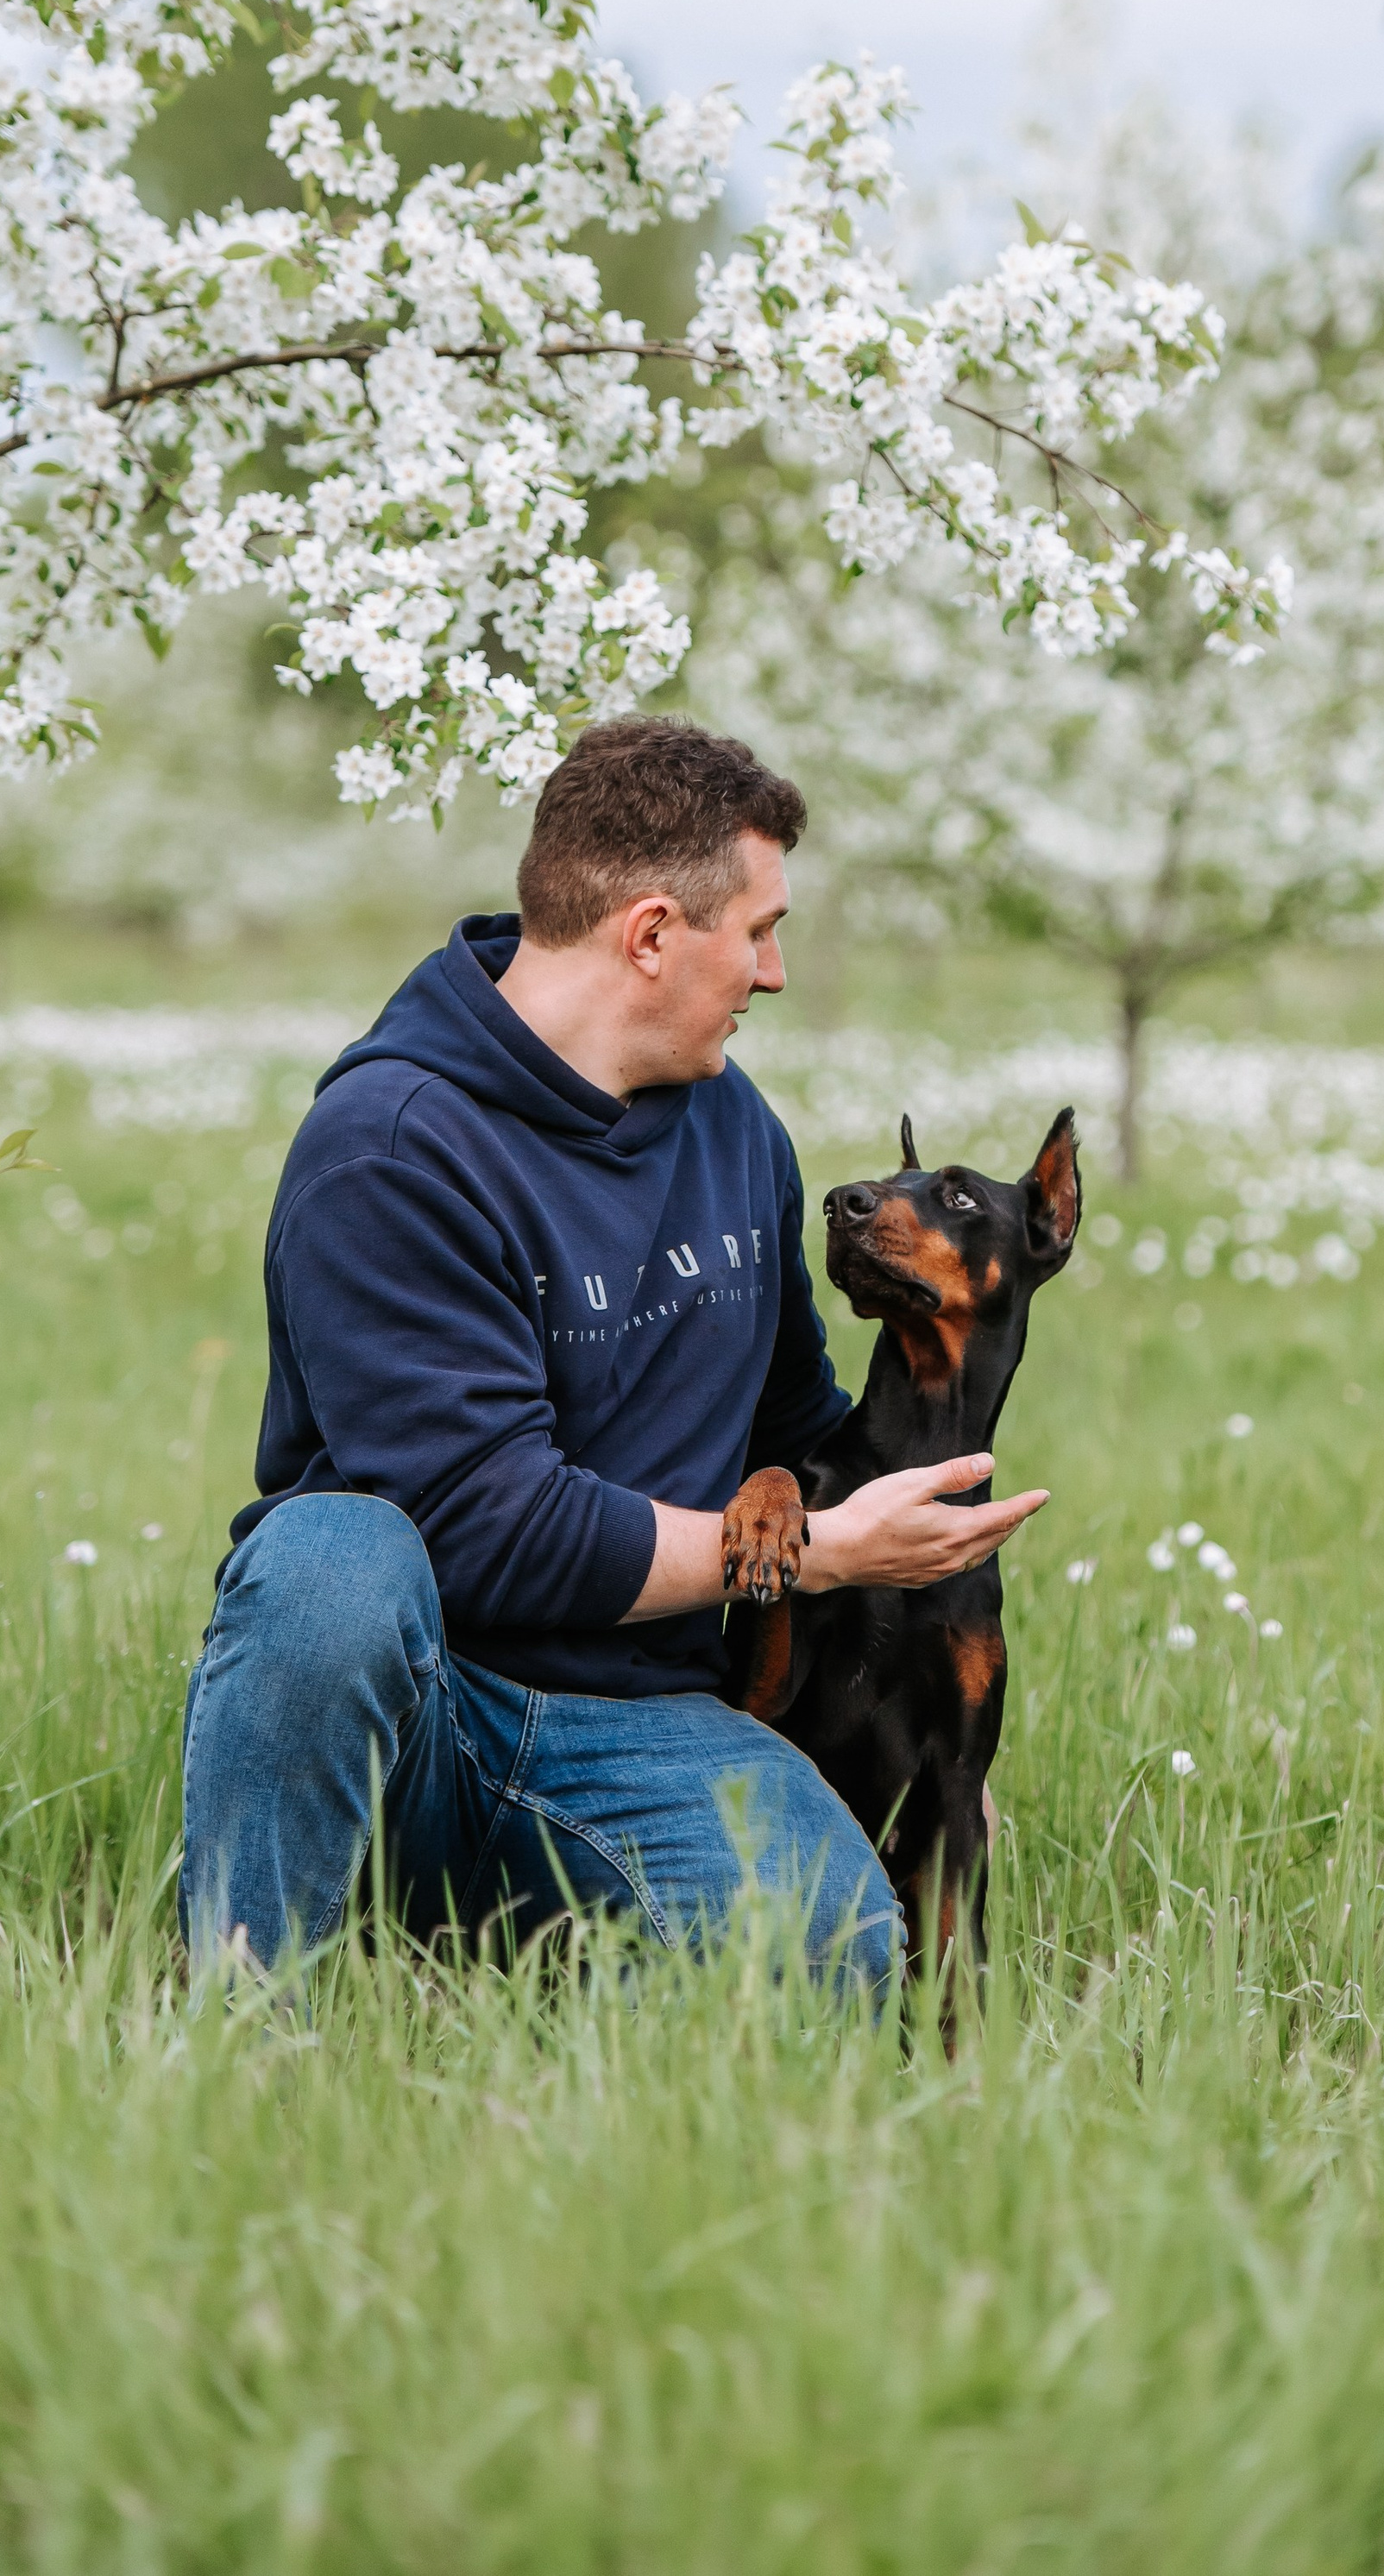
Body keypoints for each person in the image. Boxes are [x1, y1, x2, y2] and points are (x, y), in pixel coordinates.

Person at [179, 716, 1048, 1993]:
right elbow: (486, 1528)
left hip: (643, 1724)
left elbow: (788, 1419)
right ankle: (244, 2013)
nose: (774, 974)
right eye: (757, 932)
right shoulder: (392, 1146)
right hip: (418, 1707)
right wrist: (812, 1554)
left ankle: (534, 1988)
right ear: (651, 935)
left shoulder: (738, 1132)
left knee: (831, 1953)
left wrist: (916, 1481)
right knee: (327, 1559)